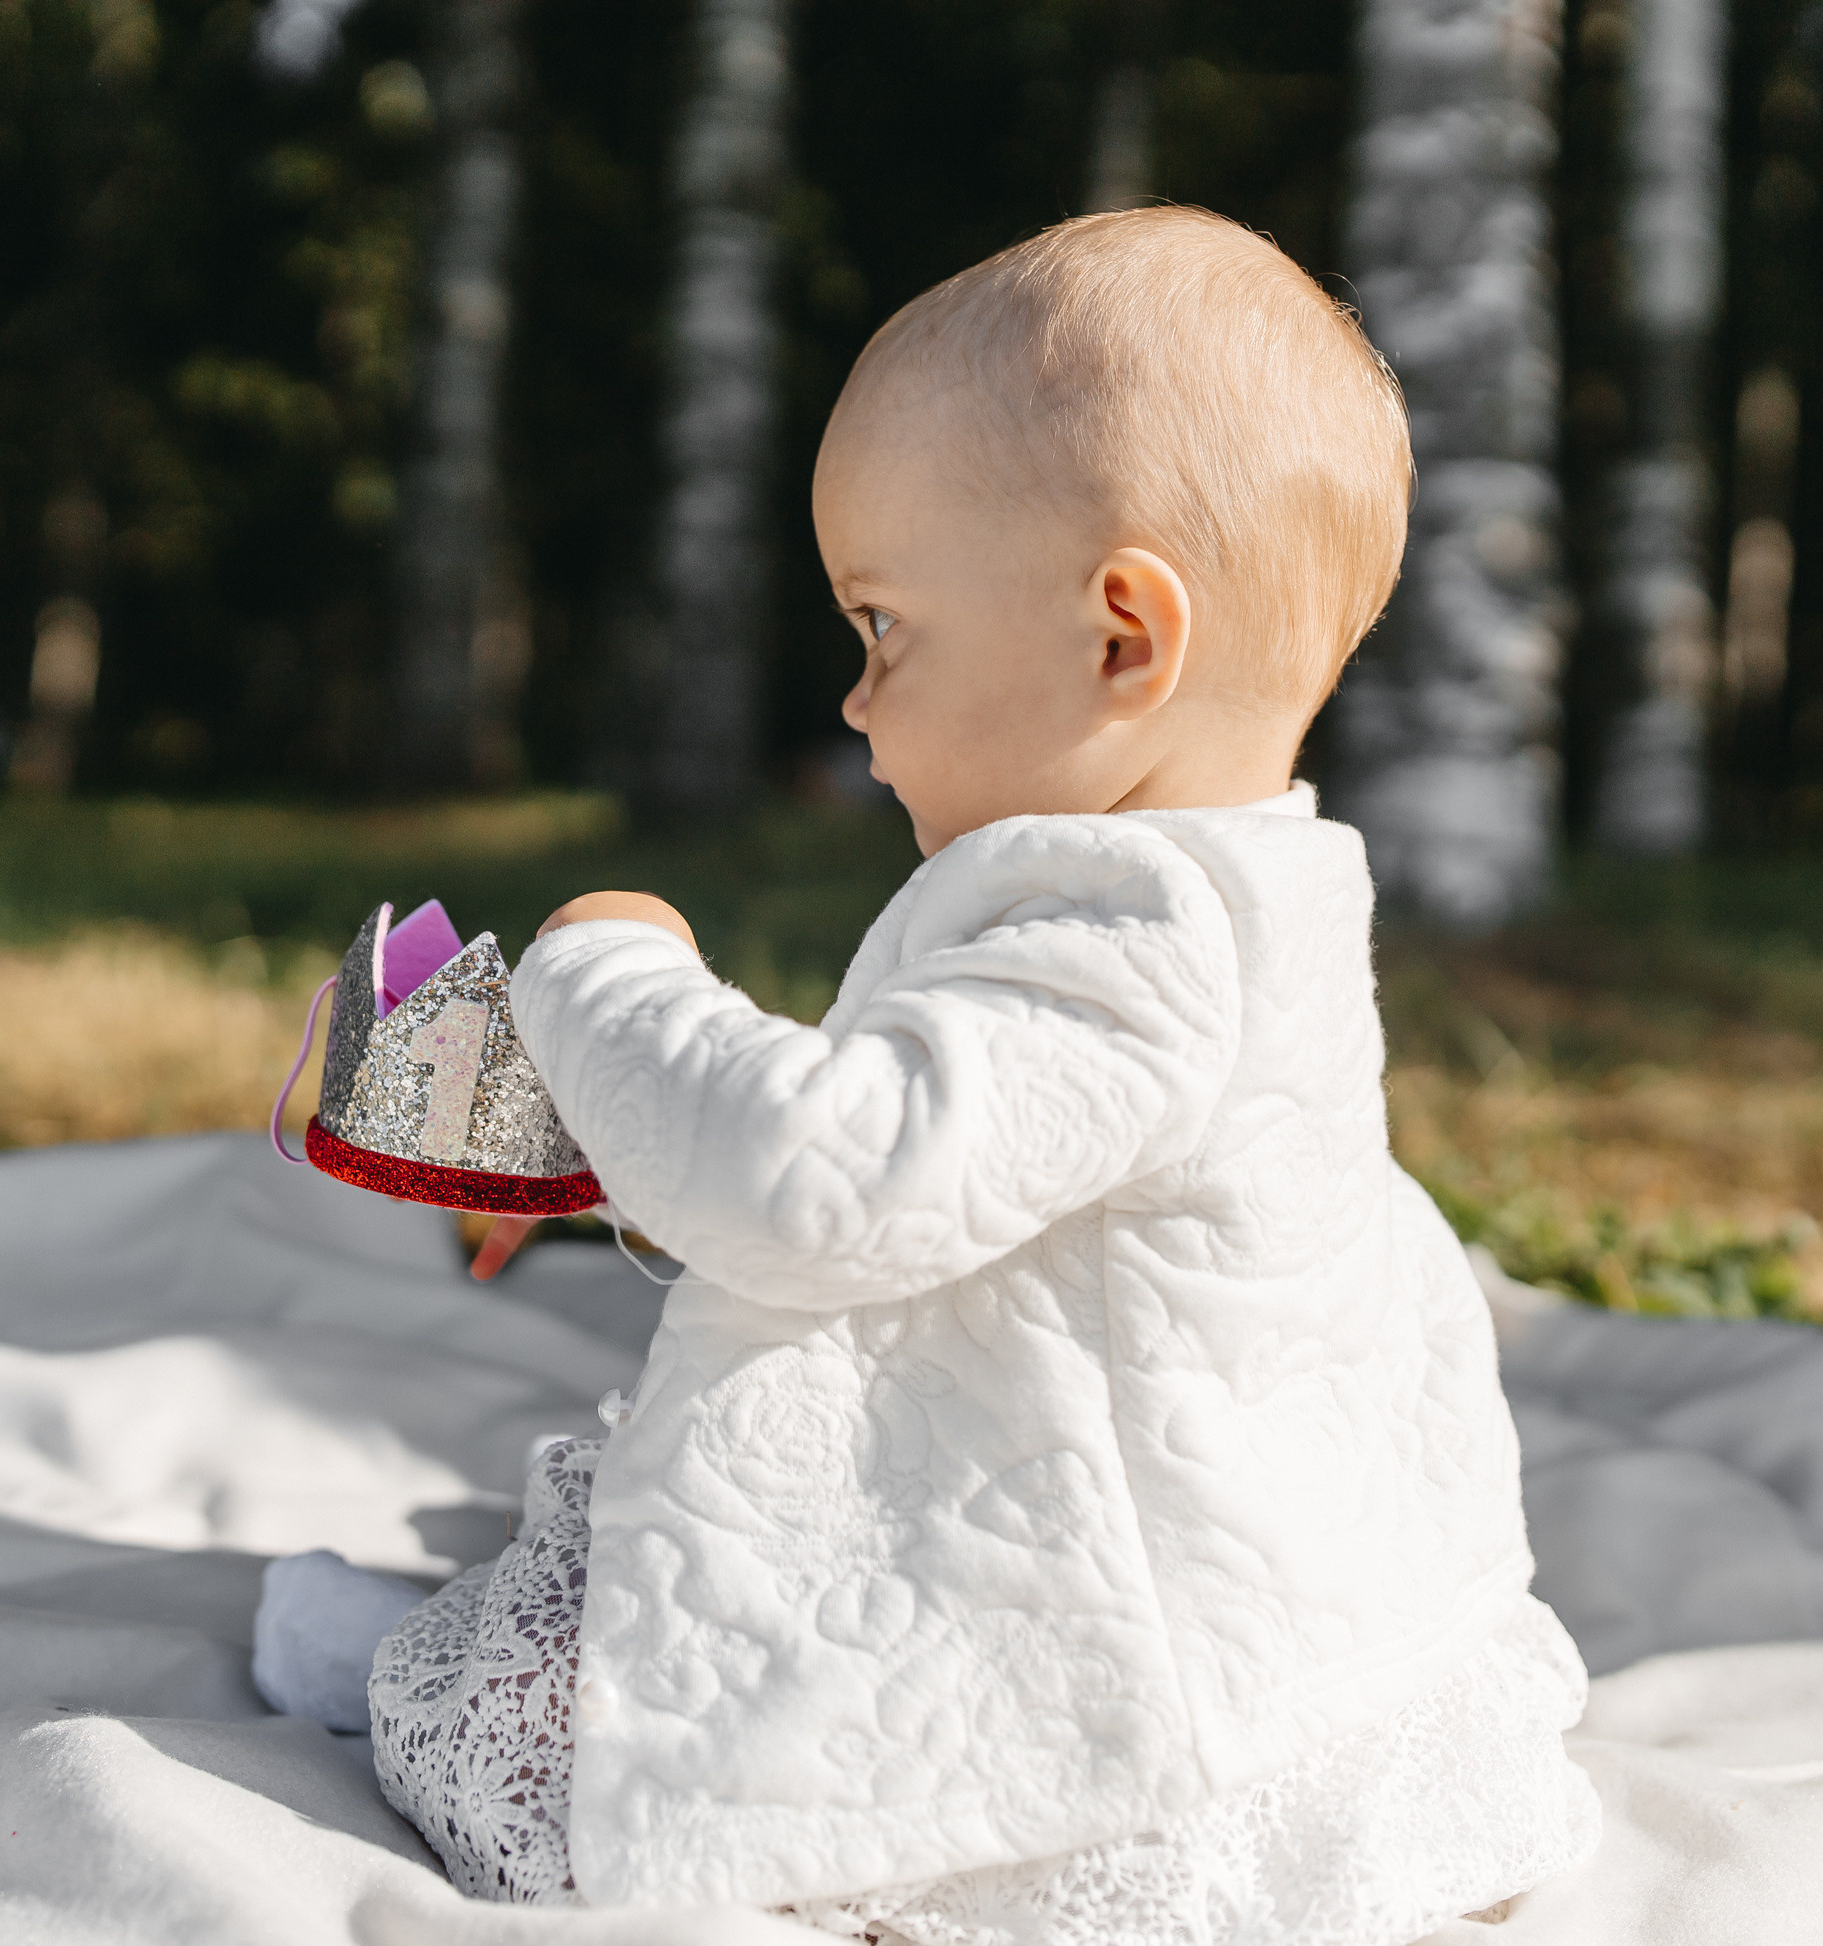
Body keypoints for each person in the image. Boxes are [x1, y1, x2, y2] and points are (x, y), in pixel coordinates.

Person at [251, 207, 1602, 1944]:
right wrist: (630, 1167)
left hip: (1110, 1649)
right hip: (1209, 1535)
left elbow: (824, 1180)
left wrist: (610, 964)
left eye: (887, 629)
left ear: (1123, 636)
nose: (857, 702)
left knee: (563, 1727)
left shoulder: (1137, 930)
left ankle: (432, 1672)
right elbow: (962, 1194)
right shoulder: (1244, 886)